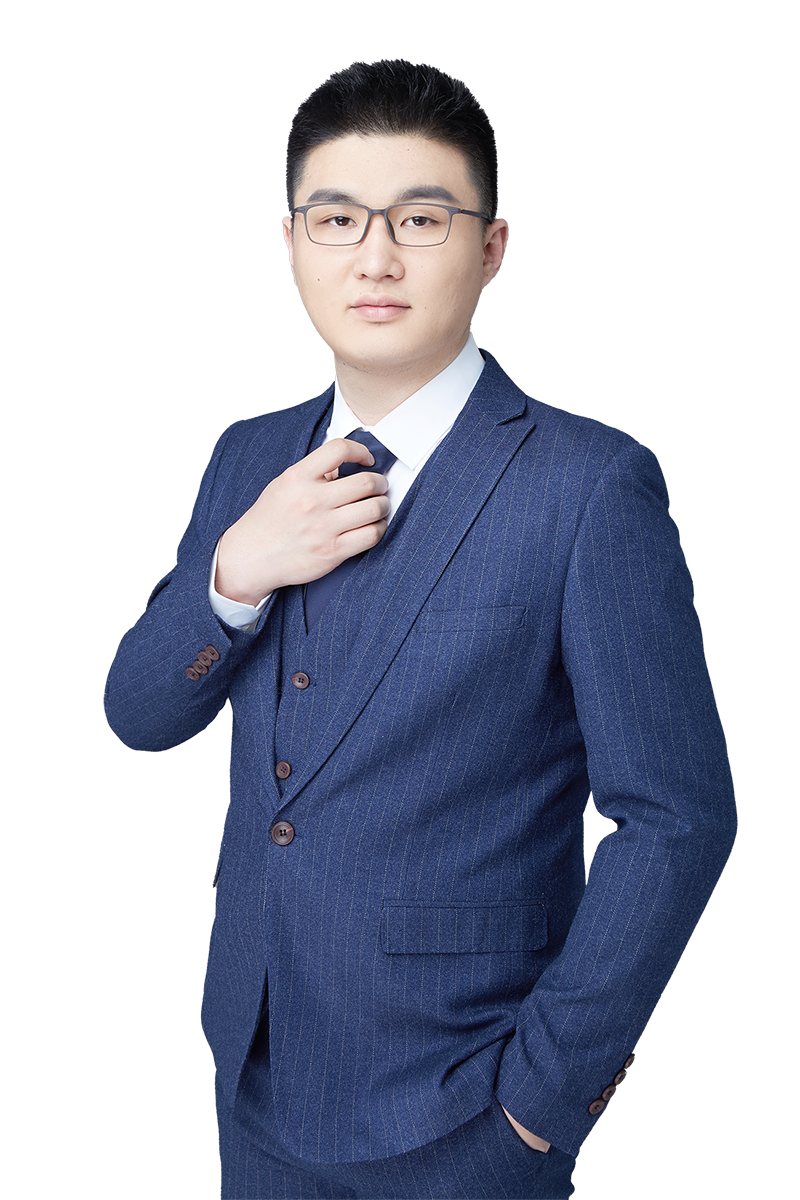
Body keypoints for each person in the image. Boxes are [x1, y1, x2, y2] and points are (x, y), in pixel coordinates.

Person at [105, 60, 736, 1199]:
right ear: (291, 241)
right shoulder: (247, 459)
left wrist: (543, 1102)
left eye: (421, 219)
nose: (375, 257)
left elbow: (675, 815)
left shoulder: (588, 486)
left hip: (468, 1107)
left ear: (490, 248)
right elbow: (141, 714)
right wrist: (235, 572)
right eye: (336, 218)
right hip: (252, 1074)